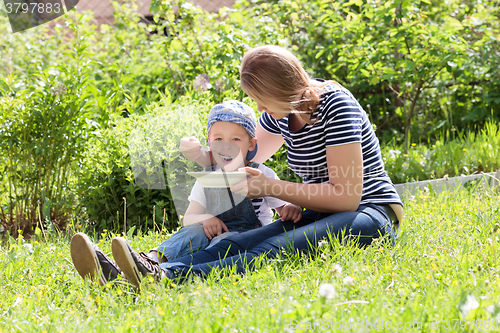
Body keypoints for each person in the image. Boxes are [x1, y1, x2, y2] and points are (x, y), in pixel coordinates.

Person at [96, 44, 404, 288]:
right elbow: (237, 161)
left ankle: (165, 279)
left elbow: (347, 197)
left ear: (279, 88)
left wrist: (271, 188)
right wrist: (201, 154)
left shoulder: (336, 105)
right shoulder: (280, 114)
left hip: (370, 213)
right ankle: (139, 273)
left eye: (260, 97)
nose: (258, 108)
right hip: (323, 213)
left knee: (275, 246)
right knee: (241, 241)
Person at [70, 100, 302, 287]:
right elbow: (190, 217)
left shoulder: (260, 174)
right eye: (218, 139)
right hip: (211, 236)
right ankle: (148, 260)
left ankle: (148, 274)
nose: (226, 146)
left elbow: (283, 208)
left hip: (245, 240)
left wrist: (289, 209)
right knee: (192, 232)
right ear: (209, 143)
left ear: (251, 144)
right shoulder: (208, 178)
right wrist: (206, 219)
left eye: (235, 139)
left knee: (225, 242)